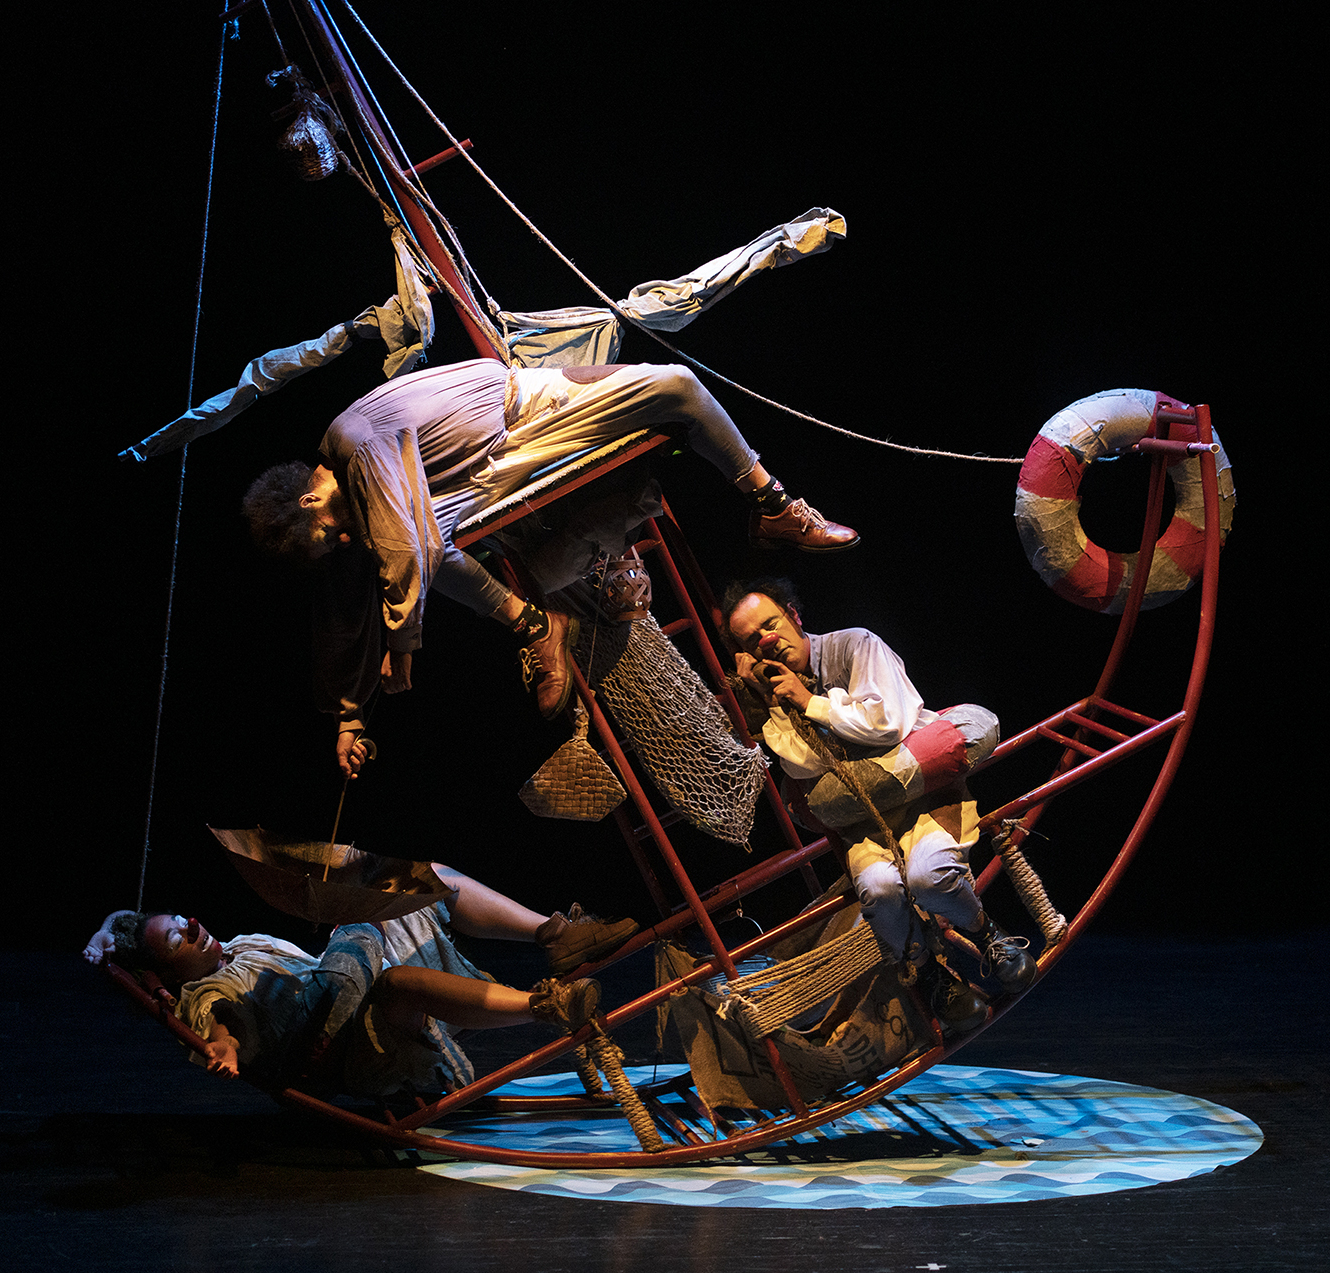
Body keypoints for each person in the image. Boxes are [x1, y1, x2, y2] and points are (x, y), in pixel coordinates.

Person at [242, 358, 859, 774]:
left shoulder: (353, 442)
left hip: (525, 408)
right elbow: (360, 596)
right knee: (427, 552)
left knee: (677, 385)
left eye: (329, 534)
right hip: (487, 468)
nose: (343, 538)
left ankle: (775, 506)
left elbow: (403, 551)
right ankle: (537, 625)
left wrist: (403, 647)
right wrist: (351, 716)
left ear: (309, 500)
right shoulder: (362, 476)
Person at [720, 578, 1034, 1025]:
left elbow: (887, 724)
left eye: (770, 624)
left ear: (793, 615)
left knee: (929, 877)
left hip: (917, 794)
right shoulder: (775, 695)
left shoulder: (855, 645)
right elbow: (806, 767)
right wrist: (767, 700)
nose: (766, 641)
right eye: (752, 641)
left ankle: (988, 936)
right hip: (863, 816)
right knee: (881, 891)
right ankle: (928, 973)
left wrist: (811, 702)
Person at [84, 864, 635, 1092]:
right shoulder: (208, 992)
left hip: (349, 991)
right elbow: (220, 1024)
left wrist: (109, 928)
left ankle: (554, 934)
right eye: (177, 939)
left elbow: (126, 921)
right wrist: (224, 1048)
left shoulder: (239, 946)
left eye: (182, 919)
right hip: (344, 1046)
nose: (191, 926)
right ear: (170, 974)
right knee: (391, 975)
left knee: (416, 881)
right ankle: (547, 1005)